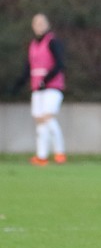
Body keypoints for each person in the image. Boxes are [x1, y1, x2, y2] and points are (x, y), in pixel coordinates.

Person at [11, 13, 67, 166]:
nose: (39, 26)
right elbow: (28, 68)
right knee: (39, 121)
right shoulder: (33, 45)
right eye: (36, 23)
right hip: (37, 88)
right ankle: (41, 156)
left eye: (42, 23)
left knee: (48, 118)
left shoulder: (53, 42)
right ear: (33, 26)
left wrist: (46, 80)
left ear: (47, 24)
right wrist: (17, 86)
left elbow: (60, 63)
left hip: (52, 87)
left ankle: (60, 153)